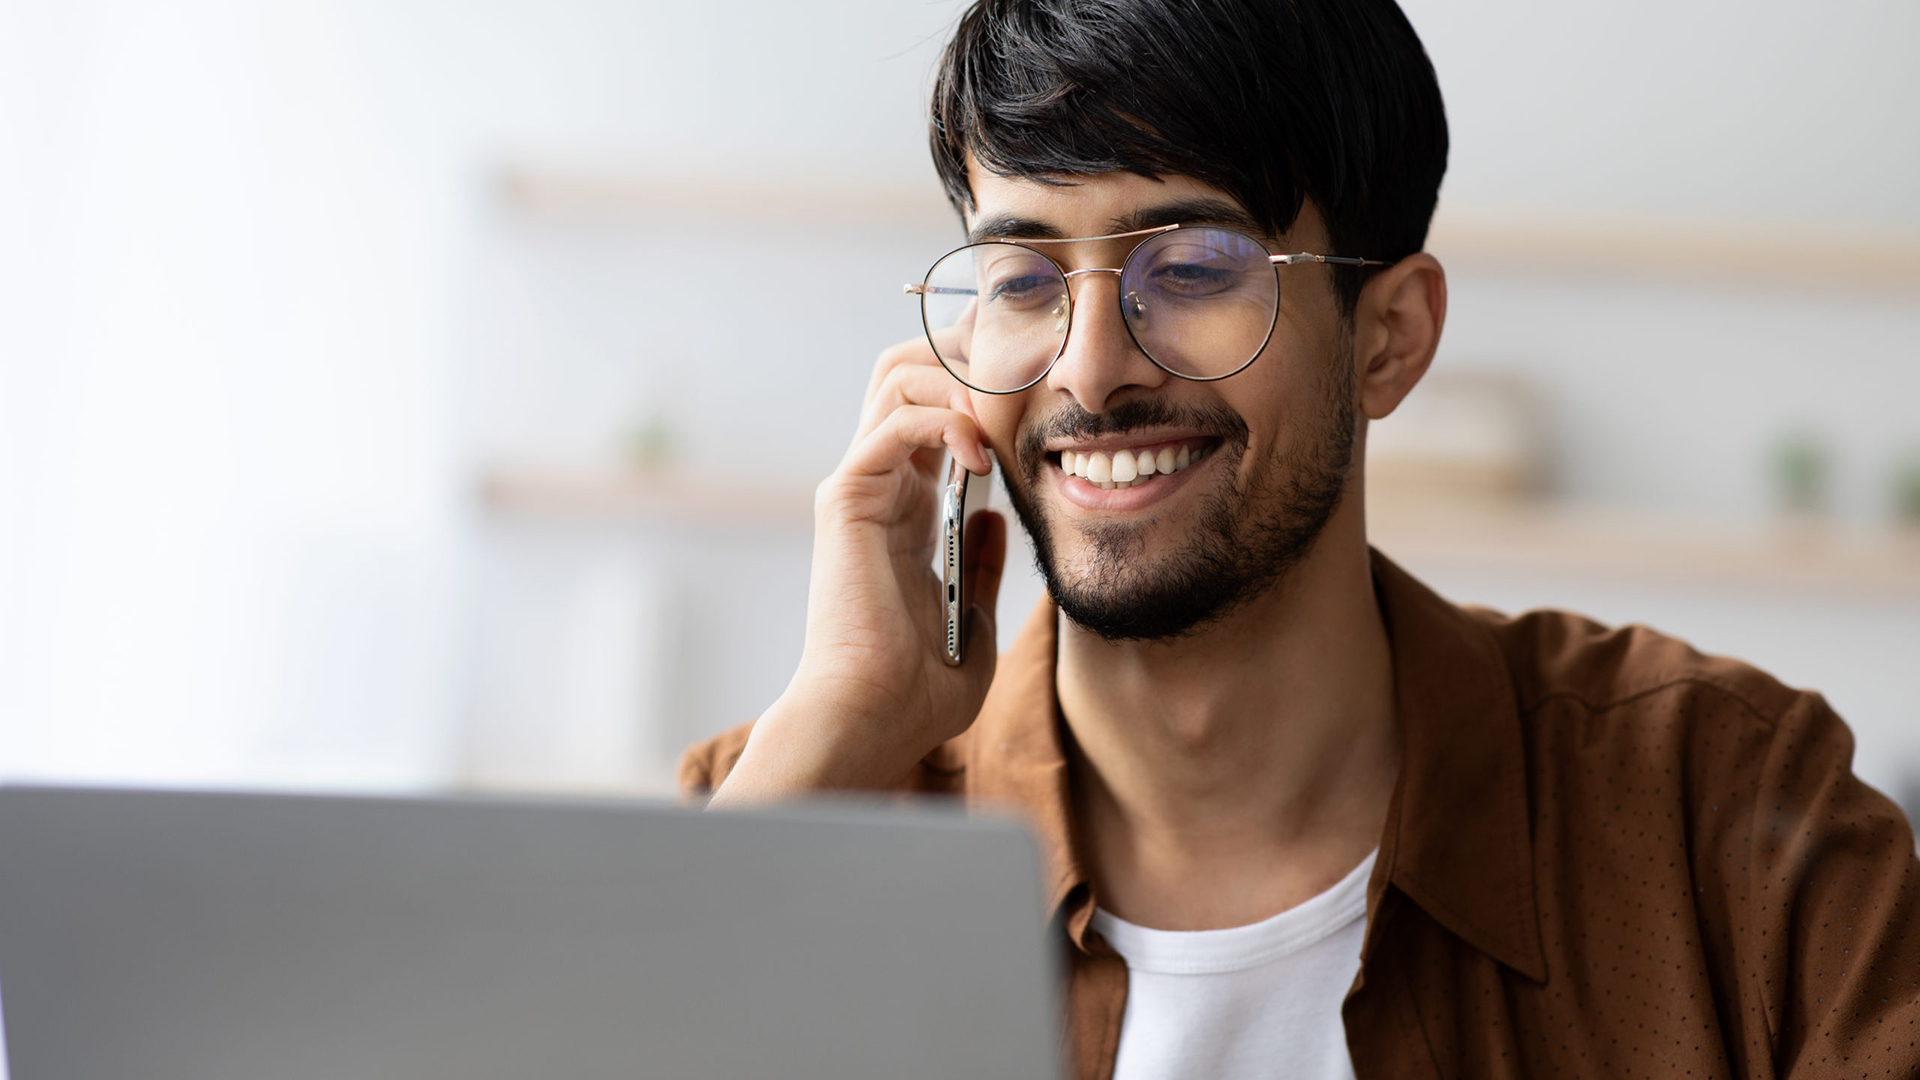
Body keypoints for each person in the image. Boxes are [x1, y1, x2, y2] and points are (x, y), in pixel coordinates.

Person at [679, 1, 1920, 1077]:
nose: (1094, 370)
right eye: (1023, 278)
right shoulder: (791, 807)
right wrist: (833, 735)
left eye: (1196, 265)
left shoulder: (1733, 827)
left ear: (1388, 337)